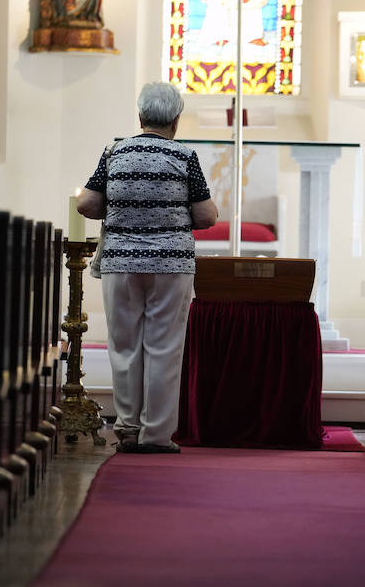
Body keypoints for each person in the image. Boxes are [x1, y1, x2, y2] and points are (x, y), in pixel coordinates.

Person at [77, 81, 219, 454]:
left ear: (140, 116)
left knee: (124, 345)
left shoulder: (115, 152)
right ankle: (156, 435)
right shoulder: (184, 156)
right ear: (175, 119)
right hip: (171, 265)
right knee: (164, 347)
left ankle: (126, 428)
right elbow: (206, 216)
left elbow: (87, 204)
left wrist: (122, 212)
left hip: (120, 263)